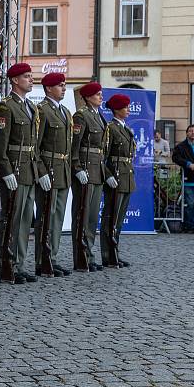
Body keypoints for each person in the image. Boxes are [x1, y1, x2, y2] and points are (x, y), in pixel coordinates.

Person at [0, 63, 40, 284]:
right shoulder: (5, 107)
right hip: (15, 170)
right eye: (26, 77)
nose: (31, 79)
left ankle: (19, 263)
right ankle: (7, 264)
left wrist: (38, 171)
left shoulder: (30, 107)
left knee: (25, 219)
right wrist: (6, 171)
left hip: (28, 170)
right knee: (11, 218)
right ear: (15, 80)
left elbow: (33, 144)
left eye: (30, 76)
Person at [35, 72, 73, 277]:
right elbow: (36, 146)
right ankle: (42, 259)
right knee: (46, 217)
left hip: (62, 170)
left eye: (64, 85)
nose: (64, 88)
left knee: (57, 218)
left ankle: (53, 257)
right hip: (48, 169)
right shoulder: (42, 111)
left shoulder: (65, 112)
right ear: (49, 88)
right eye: (60, 85)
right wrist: (41, 172)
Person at [71, 82, 108, 272]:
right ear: (87, 97)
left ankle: (90, 254)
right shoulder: (81, 115)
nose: (101, 97)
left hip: (97, 171)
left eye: (101, 94)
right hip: (85, 170)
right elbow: (75, 146)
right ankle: (81, 256)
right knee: (82, 216)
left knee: (93, 217)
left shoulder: (99, 117)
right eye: (97, 94)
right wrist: (77, 167)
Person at [101, 94, 137, 267]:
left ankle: (115, 251)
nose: (128, 109)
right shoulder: (110, 128)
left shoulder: (125, 128)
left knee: (119, 219)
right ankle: (108, 254)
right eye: (125, 107)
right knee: (111, 217)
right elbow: (103, 155)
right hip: (115, 176)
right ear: (116, 109)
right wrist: (107, 175)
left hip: (126, 177)